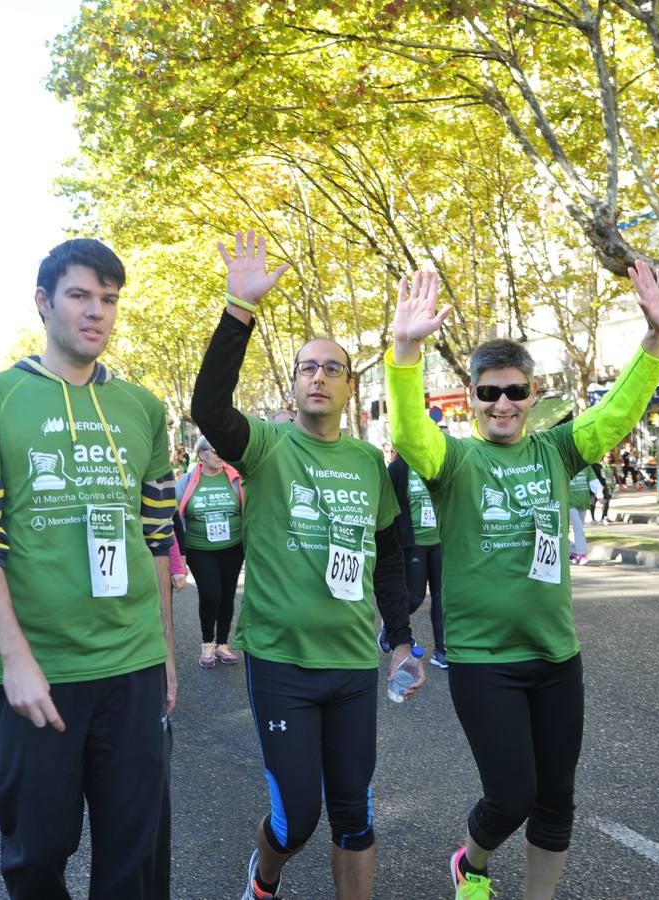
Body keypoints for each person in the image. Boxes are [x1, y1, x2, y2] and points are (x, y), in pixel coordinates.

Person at [386, 260, 659, 900]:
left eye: (515, 392)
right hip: (485, 658)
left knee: (556, 799)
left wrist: (656, 340)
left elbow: (619, 410)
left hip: (555, 655)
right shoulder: (452, 459)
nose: (503, 404)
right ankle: (474, 859)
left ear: (533, 396)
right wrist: (405, 351)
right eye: (489, 393)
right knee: (512, 793)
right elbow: (409, 432)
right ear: (470, 401)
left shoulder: (558, 449)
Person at [0, 237, 177, 898]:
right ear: (44, 303)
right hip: (37, 674)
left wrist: (165, 653)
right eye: (79, 296)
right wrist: (15, 657)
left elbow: (157, 536)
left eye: (108, 299)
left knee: (136, 863)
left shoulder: (143, 408)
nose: (95, 312)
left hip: (132, 668)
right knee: (35, 856)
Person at [191, 229, 418, 900]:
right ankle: (266, 877)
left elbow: (388, 558)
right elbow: (208, 407)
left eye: (332, 368)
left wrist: (401, 638)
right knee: (298, 820)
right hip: (282, 662)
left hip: (349, 663)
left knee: (355, 814)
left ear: (350, 388)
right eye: (306, 368)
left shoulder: (367, 464)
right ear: (292, 385)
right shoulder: (262, 446)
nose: (318, 376)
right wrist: (239, 309)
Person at [174, 435, 245, 668]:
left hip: (233, 546)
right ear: (202, 454)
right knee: (210, 593)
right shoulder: (186, 481)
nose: (220, 454)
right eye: (215, 450)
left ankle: (223, 644)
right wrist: (178, 556)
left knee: (227, 594)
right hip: (199, 547)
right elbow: (175, 516)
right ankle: (207, 643)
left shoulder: (234, 478)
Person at [388, 449, 447, 666]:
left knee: (442, 597)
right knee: (415, 597)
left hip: (439, 541)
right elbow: (389, 505)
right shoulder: (398, 468)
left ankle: (441, 650)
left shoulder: (437, 463)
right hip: (413, 543)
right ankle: (392, 624)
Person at [567, 465, 593, 564]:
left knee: (579, 528)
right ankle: (582, 553)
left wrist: (600, 494)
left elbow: (592, 480)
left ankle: (574, 551)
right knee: (578, 528)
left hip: (583, 501)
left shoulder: (586, 466)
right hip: (569, 502)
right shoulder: (564, 465)